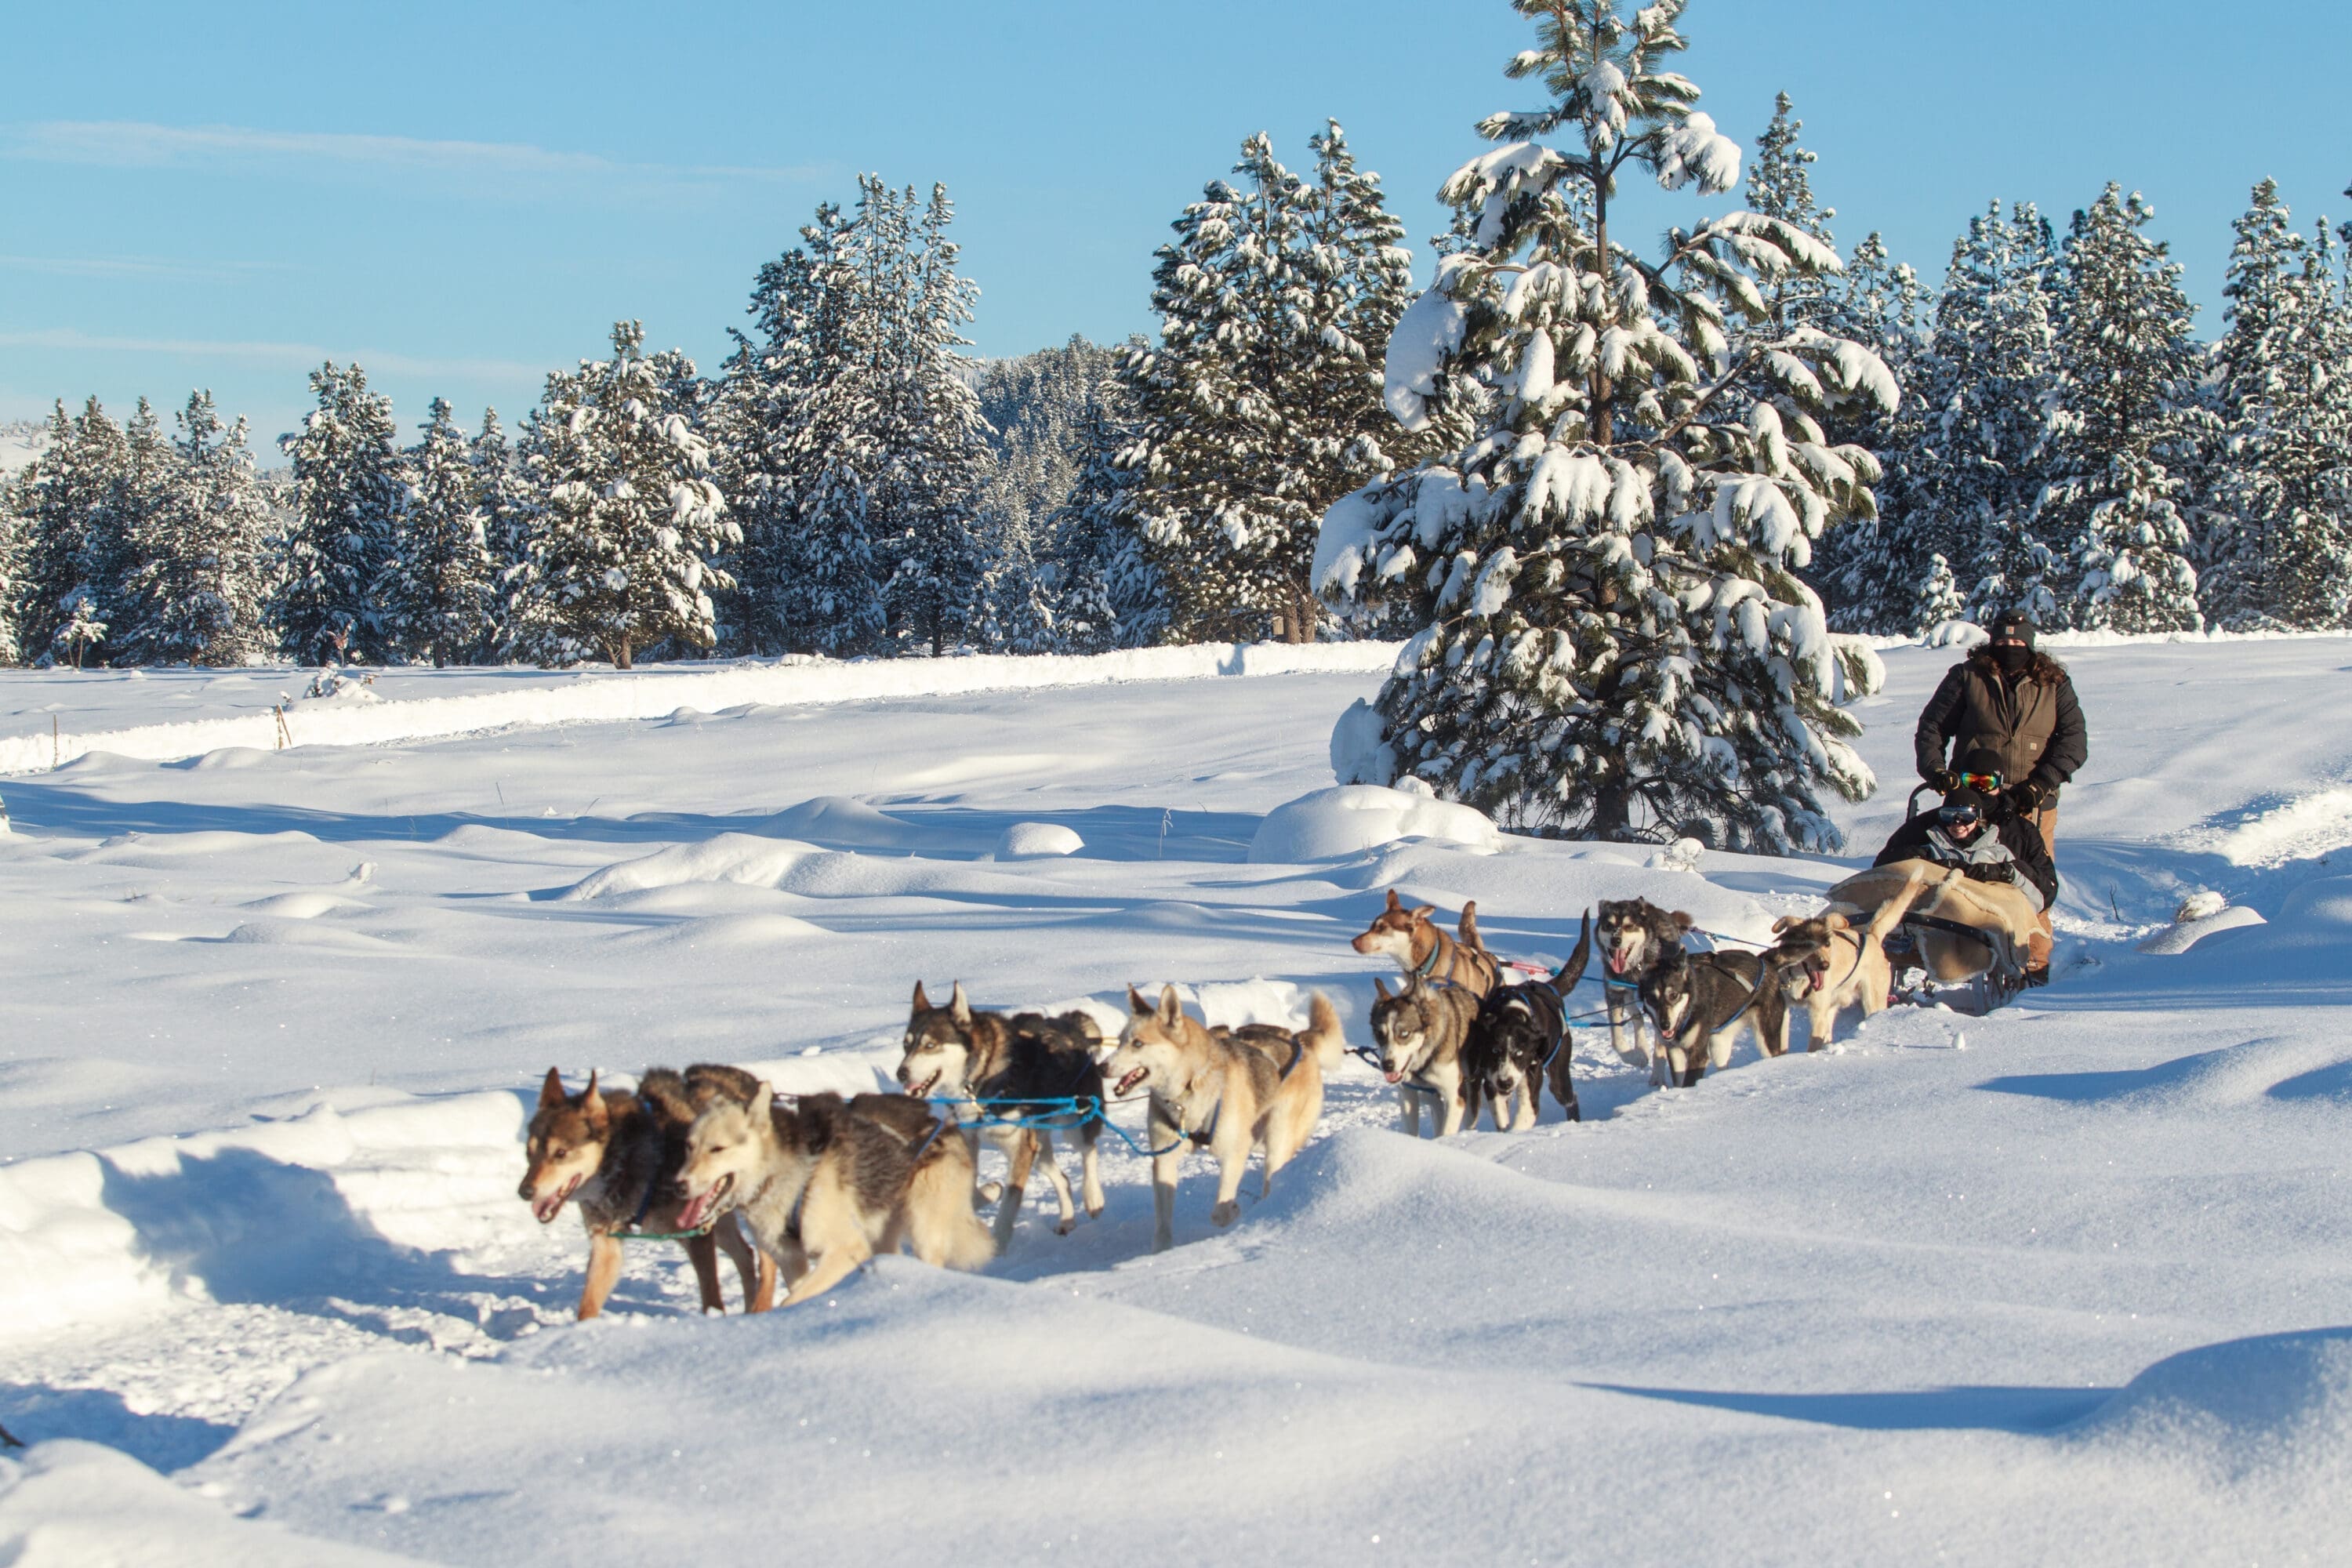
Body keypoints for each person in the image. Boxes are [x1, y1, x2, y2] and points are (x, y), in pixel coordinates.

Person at [1913, 609, 2085, 862]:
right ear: (1992, 643)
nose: (2010, 648)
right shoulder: (1967, 677)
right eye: (2003, 643)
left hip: (2031, 802)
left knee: (2034, 880)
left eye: (2017, 643)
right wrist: (1936, 772)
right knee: (1967, 878)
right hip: (1972, 801)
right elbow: (1932, 727)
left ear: (2029, 645)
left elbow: (2074, 741)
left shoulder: (2054, 684)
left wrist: (2043, 782)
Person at [1877, 747, 2060, 983]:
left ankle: (2030, 978)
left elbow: (2047, 889)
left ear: (2000, 782)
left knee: (2031, 922)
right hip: (1935, 917)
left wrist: (2003, 873)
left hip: (1998, 918)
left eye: (1986, 782)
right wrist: (1931, 862)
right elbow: (1884, 866)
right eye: (1970, 781)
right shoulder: (1932, 824)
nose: (1978, 789)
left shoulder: (2019, 831)